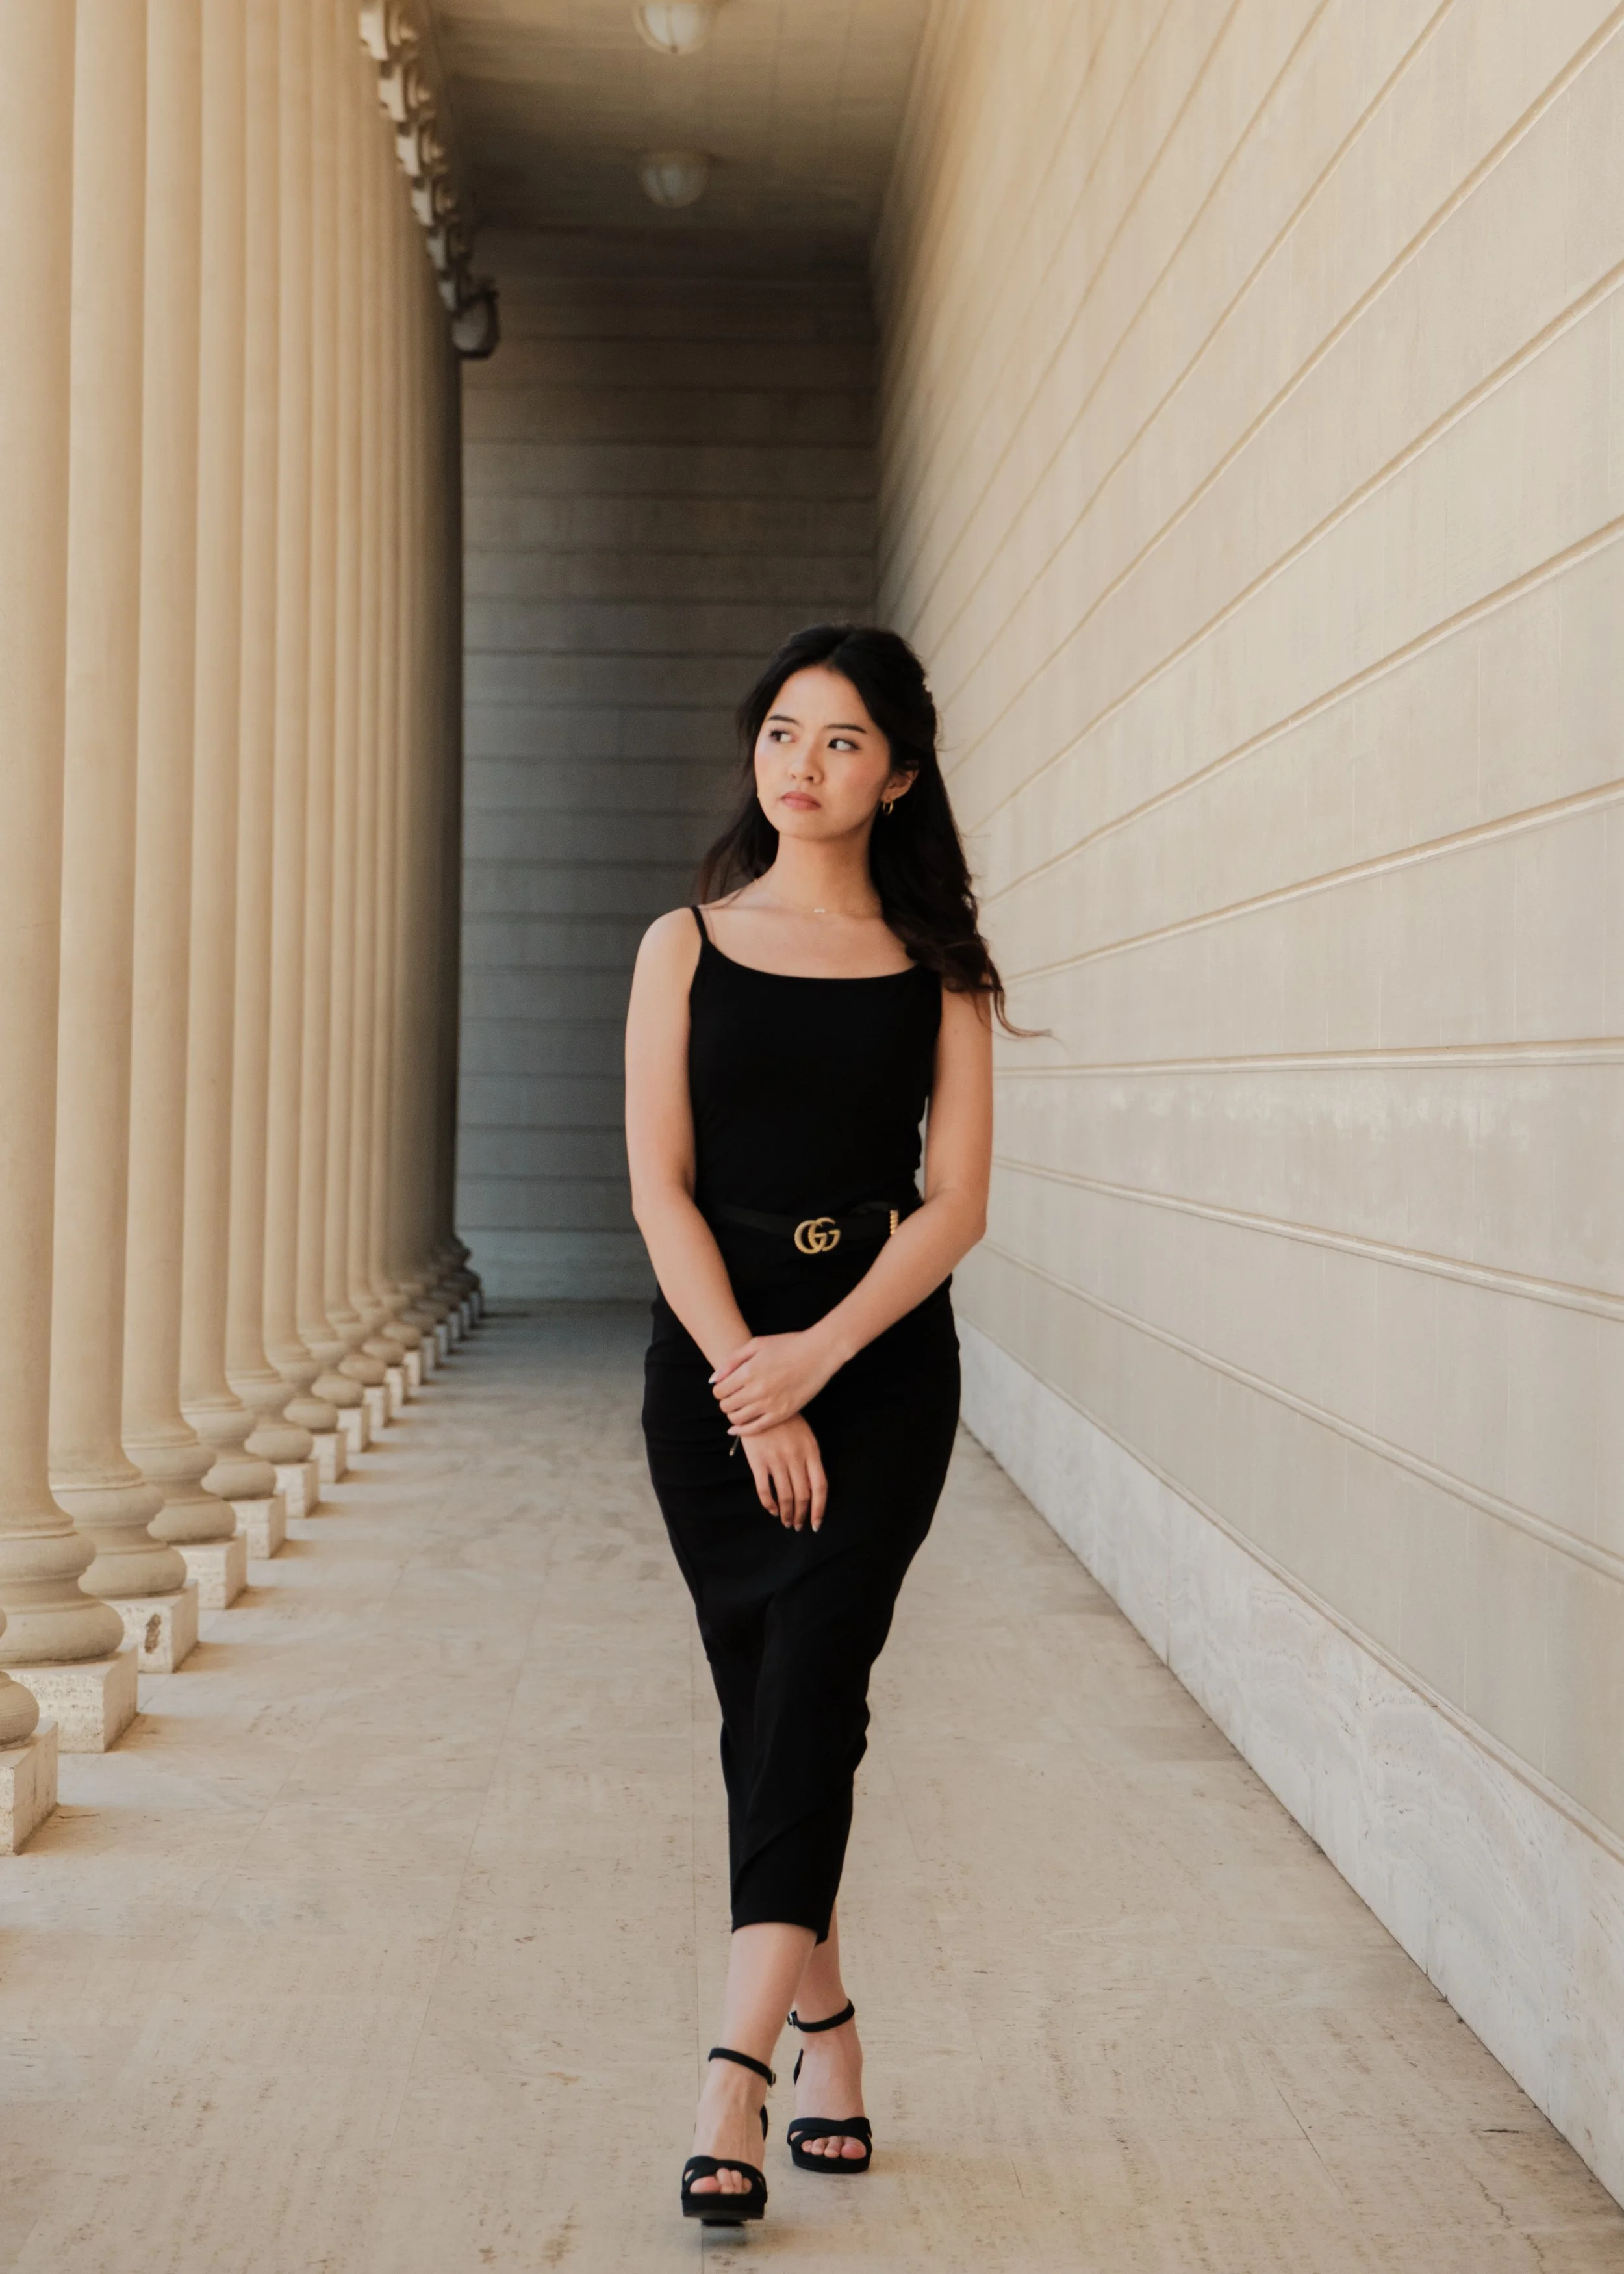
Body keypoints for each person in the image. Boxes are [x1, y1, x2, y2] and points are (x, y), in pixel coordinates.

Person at [624, 622, 1008, 2227]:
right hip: (712, 1367)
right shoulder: (683, 945)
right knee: (765, 1711)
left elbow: (954, 1209)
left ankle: (735, 2077)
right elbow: (658, 1181)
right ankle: (831, 2030)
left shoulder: (939, 972)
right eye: (783, 730)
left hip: (881, 1366)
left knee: (814, 1688)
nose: (802, 761)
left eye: (842, 740)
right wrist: (744, 1374)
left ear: (898, 774)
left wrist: (818, 1361)